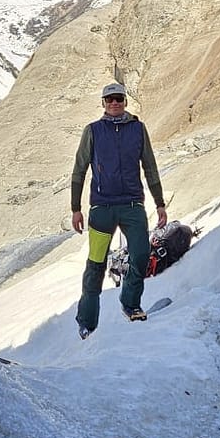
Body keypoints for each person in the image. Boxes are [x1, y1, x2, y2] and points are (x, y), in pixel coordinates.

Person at [70, 81, 166, 338]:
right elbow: (79, 170)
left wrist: (159, 203)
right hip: (101, 208)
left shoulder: (138, 129)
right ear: (103, 103)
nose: (115, 103)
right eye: (110, 99)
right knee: (96, 264)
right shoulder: (92, 131)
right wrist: (76, 209)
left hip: (133, 205)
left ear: (125, 101)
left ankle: (131, 303)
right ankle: (87, 321)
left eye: (119, 99)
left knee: (141, 254)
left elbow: (150, 167)